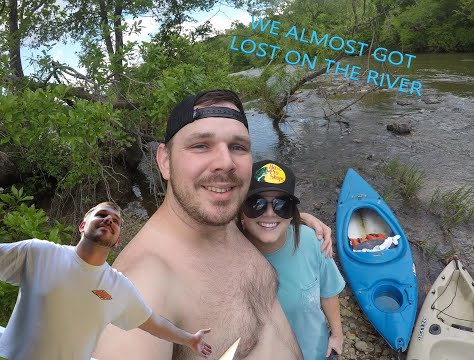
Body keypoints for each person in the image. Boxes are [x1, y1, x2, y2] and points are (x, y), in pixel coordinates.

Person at [94, 90, 333, 359]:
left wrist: (299, 219)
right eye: (200, 145)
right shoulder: (142, 285)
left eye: (238, 147)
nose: (226, 163)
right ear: (164, 161)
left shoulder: (224, 221)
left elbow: (259, 210)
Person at [0, 202, 212, 360]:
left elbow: (151, 322)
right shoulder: (39, 253)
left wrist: (189, 339)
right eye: (101, 214)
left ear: (118, 240)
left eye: (116, 221)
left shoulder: (118, 287)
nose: (109, 220)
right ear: (83, 225)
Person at [240, 160, 345, 359]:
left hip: (316, 351)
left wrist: (337, 335)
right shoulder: (227, 253)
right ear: (241, 209)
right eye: (256, 204)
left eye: (282, 205)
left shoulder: (313, 241)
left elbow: (329, 292)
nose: (270, 213)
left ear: (292, 213)